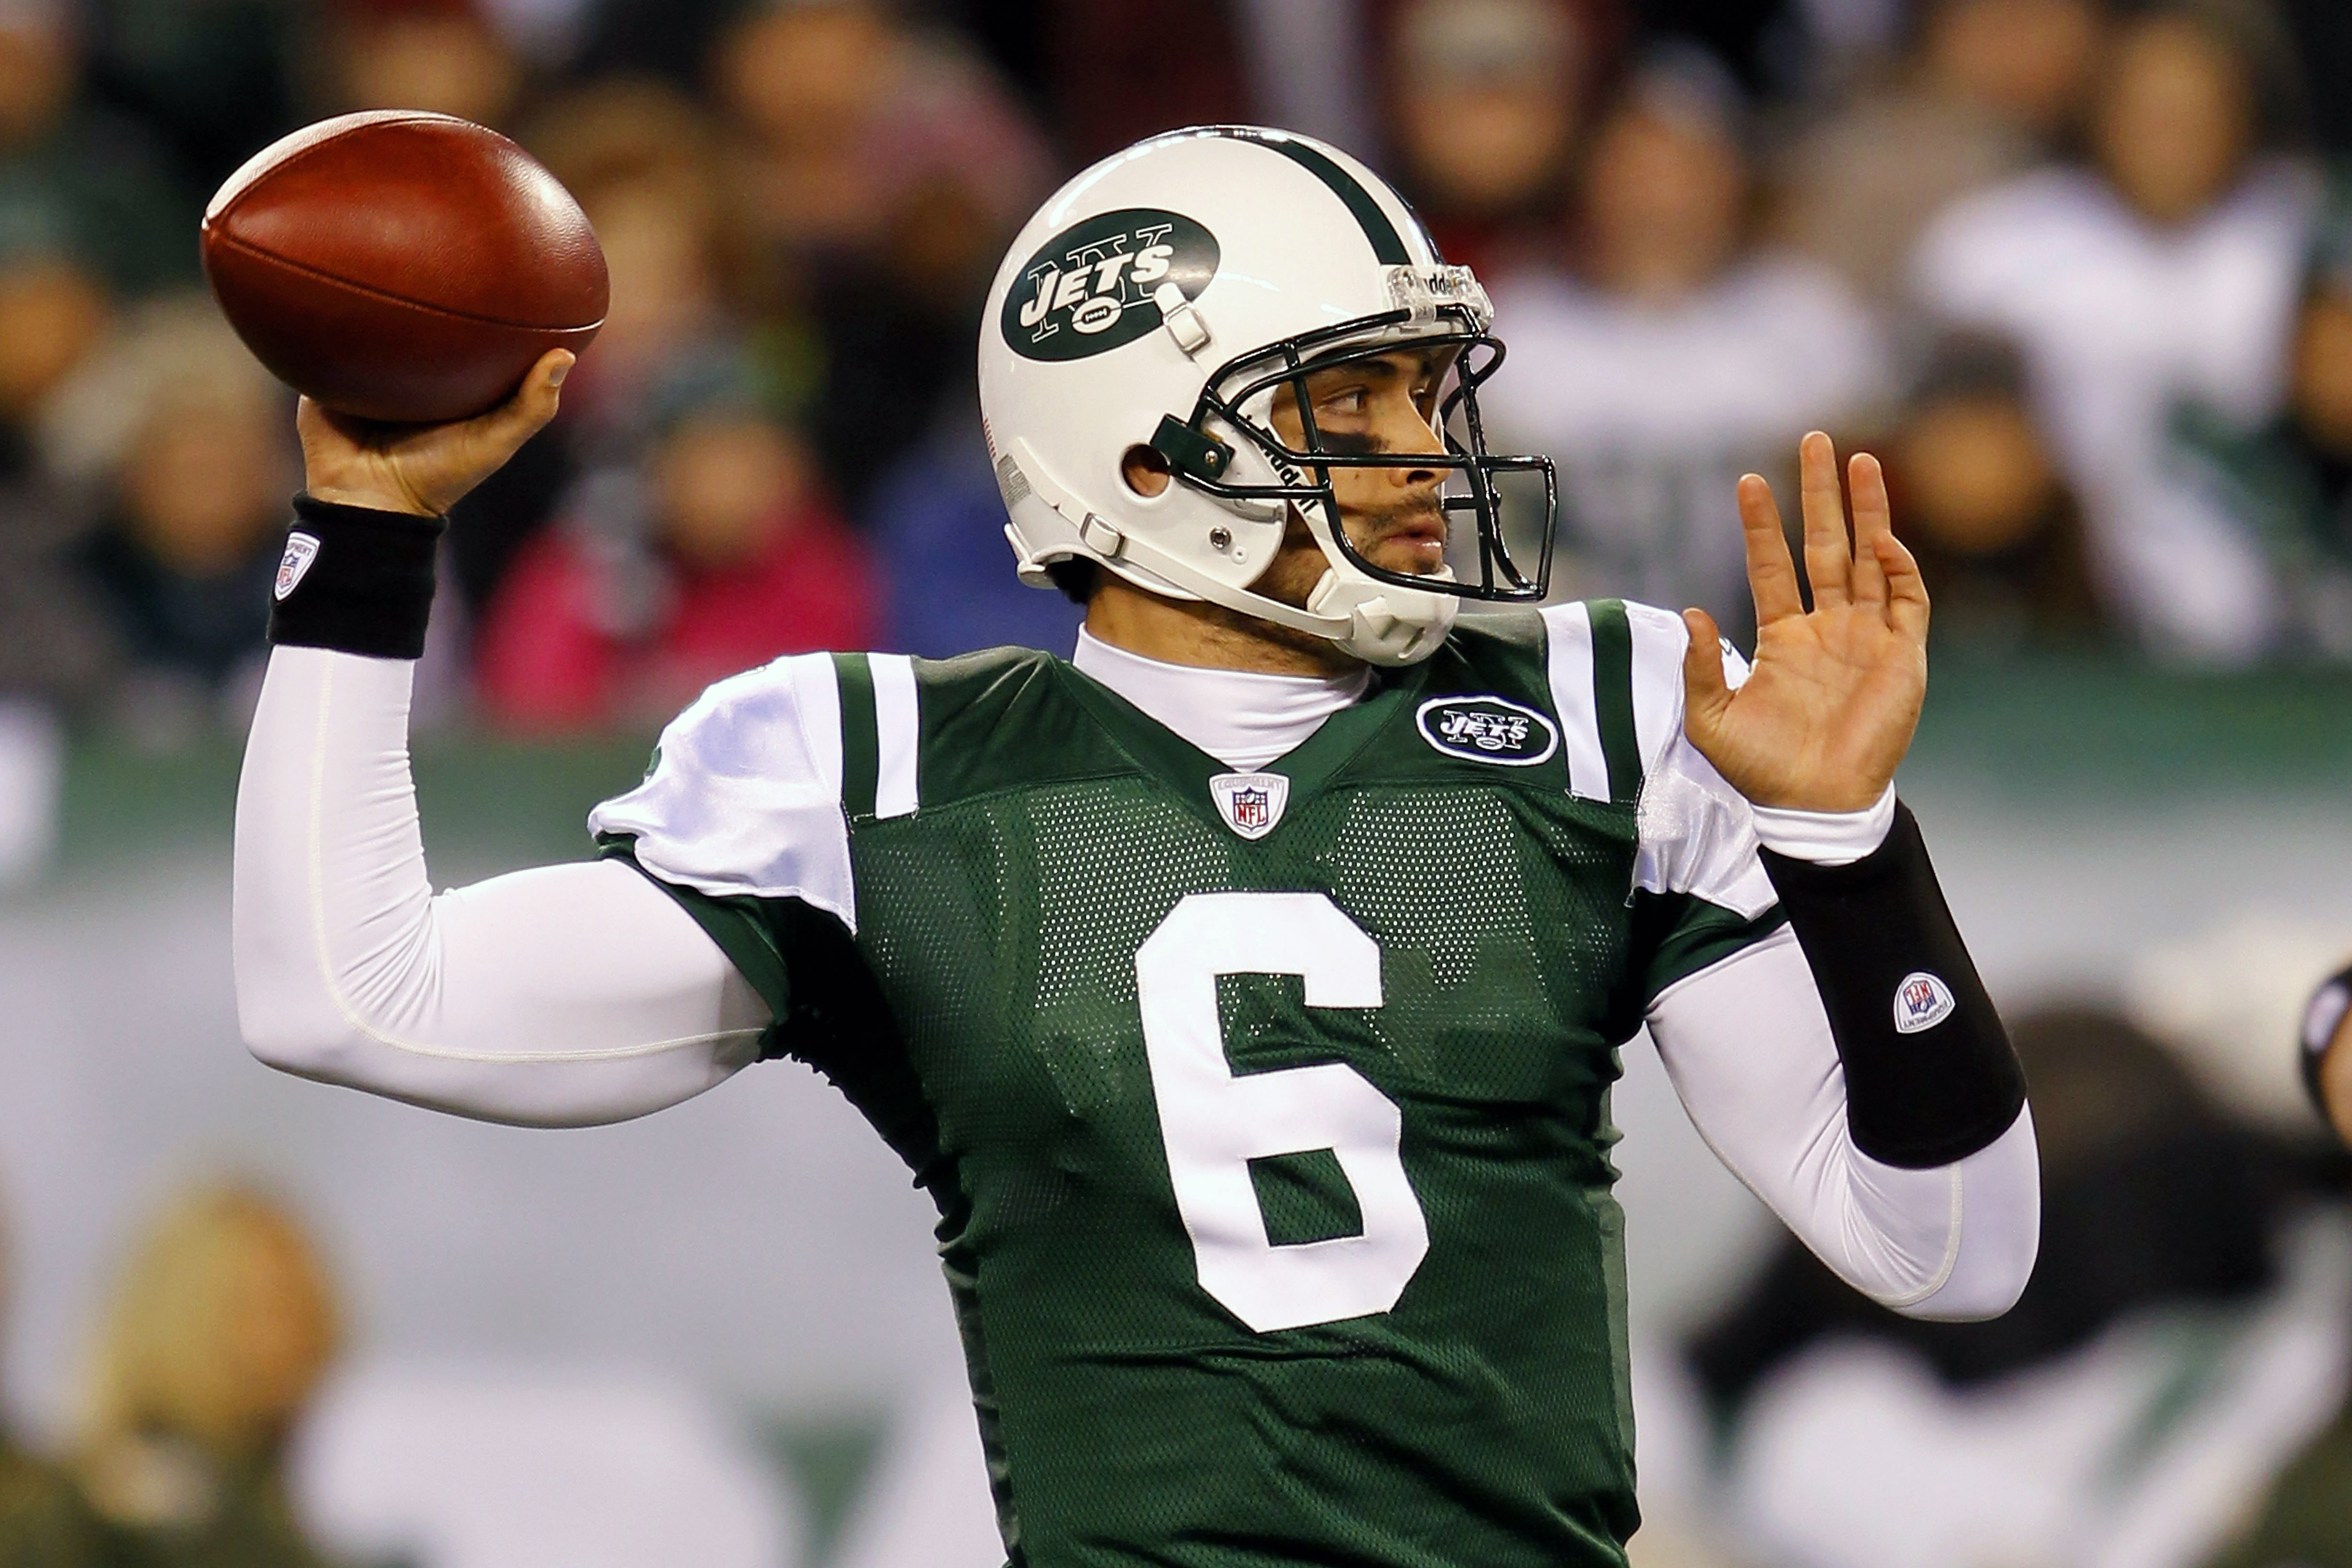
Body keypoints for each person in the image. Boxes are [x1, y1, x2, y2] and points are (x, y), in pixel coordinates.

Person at [232, 126, 2040, 1567]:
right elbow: (348, 995)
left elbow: (1950, 1248)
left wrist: (1843, 834)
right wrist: (363, 535)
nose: (1428, 453)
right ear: (1143, 459)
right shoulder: (877, 777)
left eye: (1428, 392)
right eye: (1351, 407)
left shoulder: (1603, 711)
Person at [75, 1185, 341, 1568]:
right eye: (263, 1309)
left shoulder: (257, 1498)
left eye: (306, 1306)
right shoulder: (143, 1510)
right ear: (180, 1320)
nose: (296, 1338)